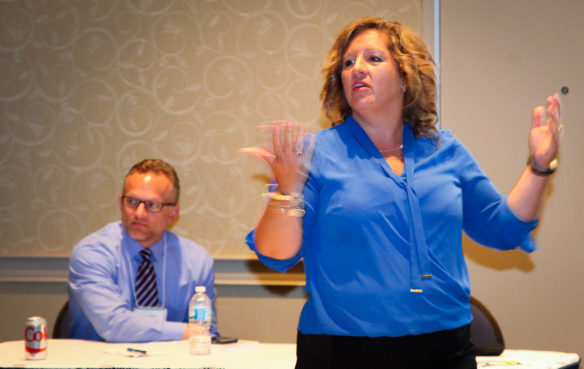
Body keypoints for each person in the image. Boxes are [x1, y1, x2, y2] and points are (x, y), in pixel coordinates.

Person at [241, 17, 561, 369]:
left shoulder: (445, 150)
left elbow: (502, 228)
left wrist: (539, 166)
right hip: (342, 350)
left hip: (445, 348)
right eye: (348, 63)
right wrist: (287, 188)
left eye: (373, 59)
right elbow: (276, 254)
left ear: (406, 77)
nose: (357, 69)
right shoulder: (312, 153)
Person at [68, 159, 218, 342]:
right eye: (131, 201)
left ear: (173, 214)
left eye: (152, 205)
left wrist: (196, 333)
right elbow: (114, 325)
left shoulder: (197, 261)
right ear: (120, 203)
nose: (139, 213)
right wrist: (187, 332)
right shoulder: (91, 253)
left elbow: (205, 335)